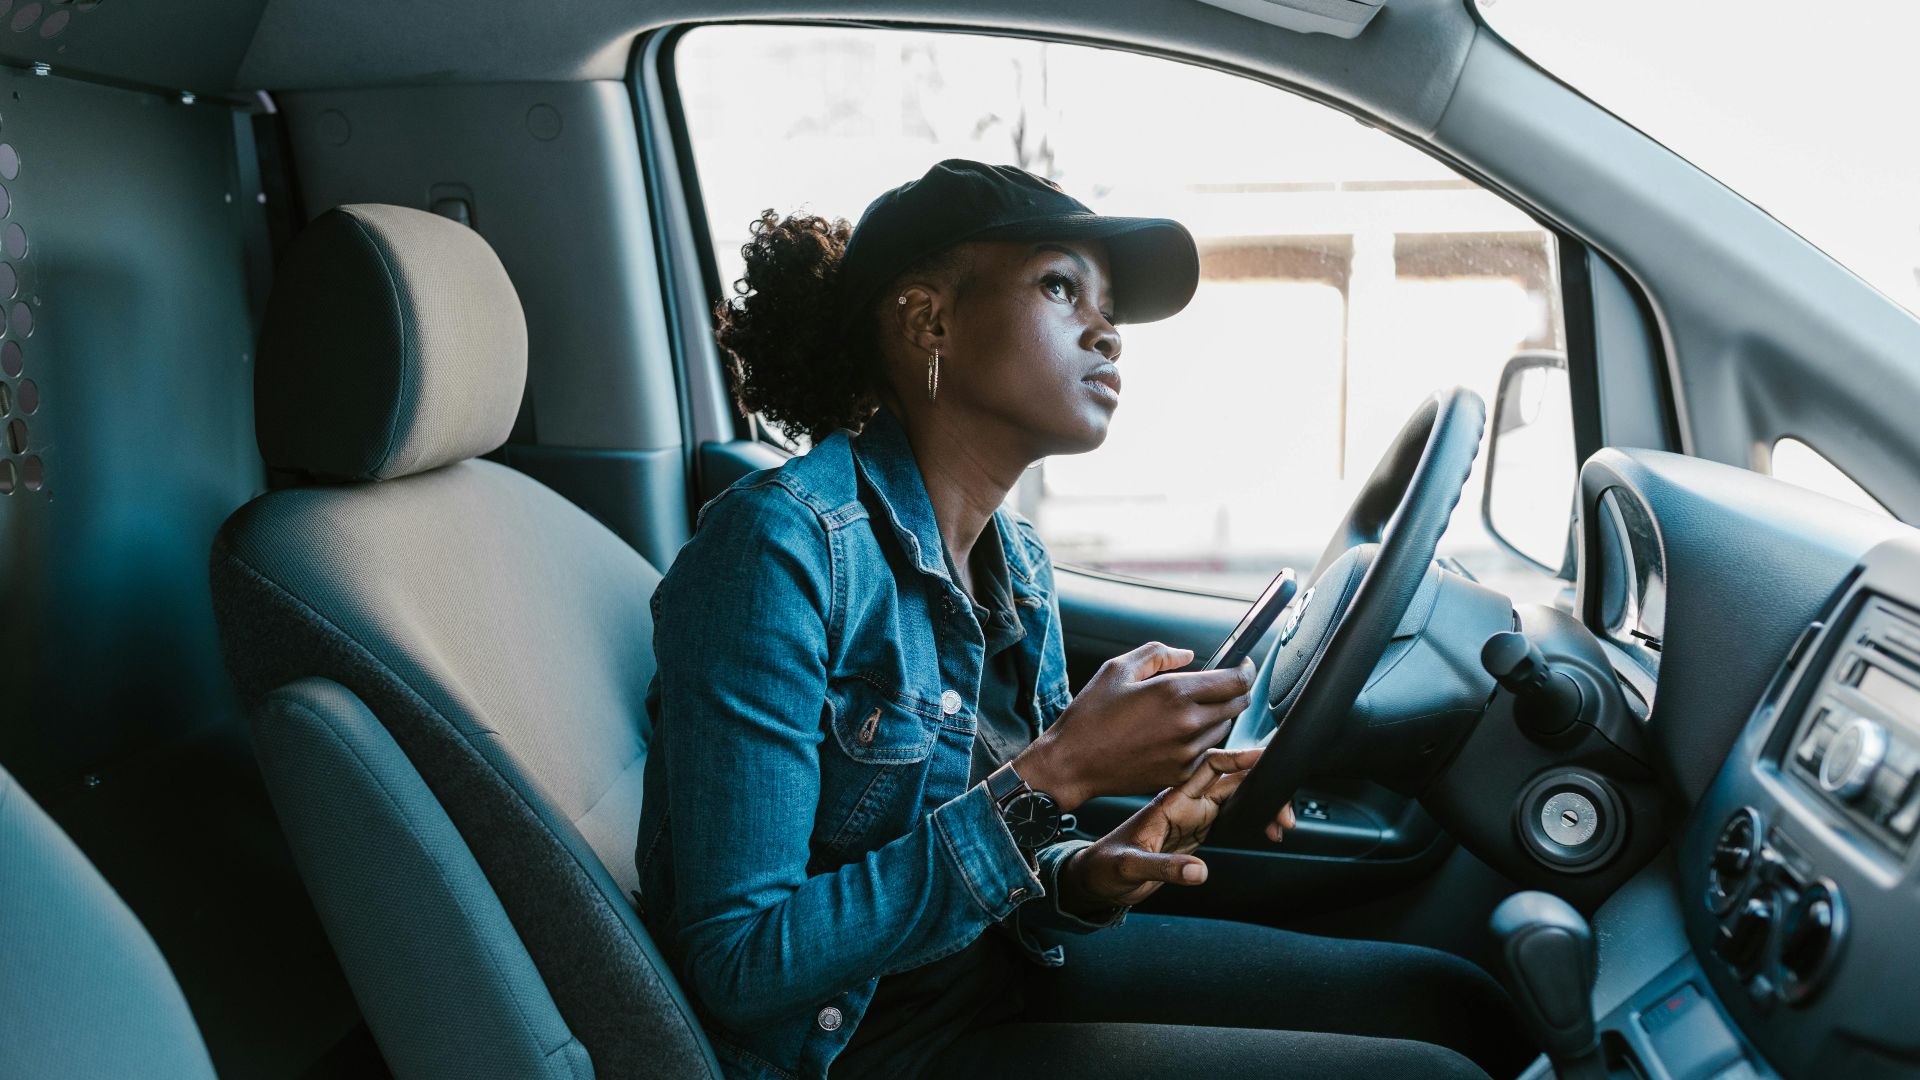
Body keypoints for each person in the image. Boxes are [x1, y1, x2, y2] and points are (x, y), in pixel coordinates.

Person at [635, 158, 1526, 1080]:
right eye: (1063, 287)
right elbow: (739, 964)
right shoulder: (777, 548)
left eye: (1107, 308)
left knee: (1457, 1003)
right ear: (926, 320)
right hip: (865, 1047)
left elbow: (1012, 865)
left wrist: (1093, 871)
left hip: (997, 974)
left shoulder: (1013, 560)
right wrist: (1059, 770)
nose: (1109, 335)